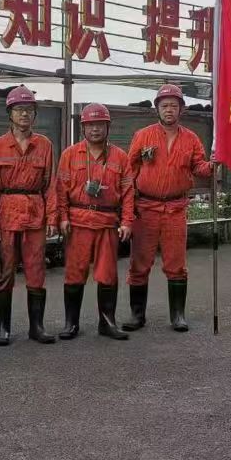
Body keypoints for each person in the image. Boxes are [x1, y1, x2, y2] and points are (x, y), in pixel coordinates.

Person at [124, 83, 215, 332]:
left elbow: (199, 168)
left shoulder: (191, 138)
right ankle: (137, 315)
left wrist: (214, 164)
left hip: (175, 208)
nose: (169, 110)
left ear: (181, 109)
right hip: (145, 208)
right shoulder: (143, 136)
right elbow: (129, 171)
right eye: (164, 106)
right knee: (140, 263)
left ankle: (177, 316)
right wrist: (128, 206)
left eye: (174, 106)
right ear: (157, 109)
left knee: (176, 264)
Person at [0, 85, 58, 346]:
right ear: (10, 114)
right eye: (19, 110)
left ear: (35, 114)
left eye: (29, 110)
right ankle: (3, 328)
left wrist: (52, 218)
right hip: (6, 214)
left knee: (36, 271)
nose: (24, 114)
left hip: (35, 213)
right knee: (5, 273)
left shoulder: (45, 145)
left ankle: (36, 327)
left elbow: (50, 184)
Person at [56, 103, 134, 340]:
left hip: (107, 222)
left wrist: (127, 222)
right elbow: (60, 191)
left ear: (107, 127)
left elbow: (128, 192)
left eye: (100, 125)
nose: (95, 130)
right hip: (78, 222)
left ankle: (107, 323)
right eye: (90, 125)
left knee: (108, 274)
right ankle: (71, 324)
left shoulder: (120, 157)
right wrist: (62, 217)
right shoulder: (70, 155)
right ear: (83, 128)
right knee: (74, 273)